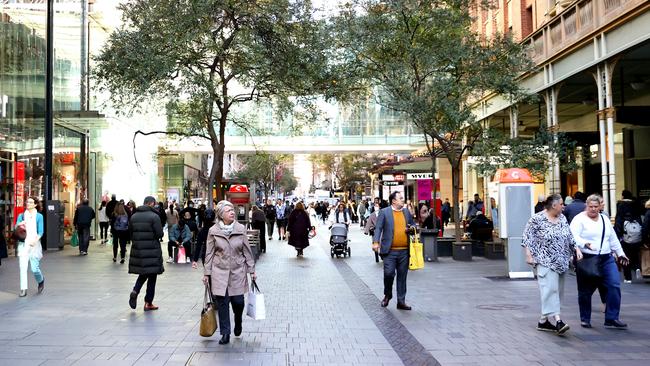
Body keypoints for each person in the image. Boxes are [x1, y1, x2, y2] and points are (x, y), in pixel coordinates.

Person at [570, 194, 630, 329]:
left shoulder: (604, 219)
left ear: (600, 207)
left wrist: (621, 254)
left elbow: (613, 239)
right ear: (586, 205)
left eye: (595, 207)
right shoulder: (579, 219)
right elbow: (572, 236)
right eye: (590, 206)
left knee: (614, 285)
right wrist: (584, 243)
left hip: (606, 258)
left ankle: (612, 317)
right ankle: (585, 318)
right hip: (587, 259)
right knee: (586, 291)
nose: (592, 209)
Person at [522, 194, 579, 335]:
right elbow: (526, 238)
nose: (563, 206)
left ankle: (543, 321)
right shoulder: (537, 219)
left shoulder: (562, 218)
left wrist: (576, 249)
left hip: (561, 261)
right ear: (554, 205)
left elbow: (569, 236)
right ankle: (559, 321)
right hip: (544, 261)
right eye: (561, 204)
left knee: (556, 291)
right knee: (550, 289)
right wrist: (528, 255)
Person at [203, 200, 257, 345]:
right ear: (221, 215)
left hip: (237, 271)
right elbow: (209, 253)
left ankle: (238, 321)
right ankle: (225, 333)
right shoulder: (213, 231)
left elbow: (247, 251)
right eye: (229, 211)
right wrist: (207, 273)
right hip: (219, 272)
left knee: (238, 302)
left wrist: (251, 270)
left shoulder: (240, 229)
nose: (233, 212)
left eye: (233, 210)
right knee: (222, 303)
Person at [372, 191, 416, 310]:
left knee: (402, 277)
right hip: (389, 251)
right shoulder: (384, 212)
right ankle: (388, 295)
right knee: (389, 274)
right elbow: (378, 228)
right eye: (400, 198)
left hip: (404, 251)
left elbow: (414, 225)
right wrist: (376, 242)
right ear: (394, 201)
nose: (403, 200)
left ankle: (401, 301)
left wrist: (411, 228)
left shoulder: (406, 212)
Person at [128, 196, 164, 311]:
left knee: (143, 273)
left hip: (138, 249)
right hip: (152, 250)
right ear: (152, 204)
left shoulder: (134, 216)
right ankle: (148, 302)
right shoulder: (154, 216)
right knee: (152, 275)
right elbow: (160, 234)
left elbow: (130, 233)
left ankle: (135, 291)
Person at [15, 197, 45, 297]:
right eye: (27, 202)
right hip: (23, 244)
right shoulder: (22, 215)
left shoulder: (39, 216)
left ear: (35, 204)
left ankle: (40, 280)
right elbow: (16, 227)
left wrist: (35, 241)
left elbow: (41, 231)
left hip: (34, 244)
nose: (28, 203)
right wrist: (19, 224)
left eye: (30, 202)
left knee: (34, 269)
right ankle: (23, 289)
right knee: (22, 267)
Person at [614, 190, 644, 283]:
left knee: (625, 255)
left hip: (625, 233)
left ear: (623, 196)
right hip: (636, 232)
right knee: (635, 254)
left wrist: (617, 233)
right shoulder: (636, 204)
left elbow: (618, 219)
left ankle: (628, 278)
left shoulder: (621, 204)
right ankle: (637, 267)